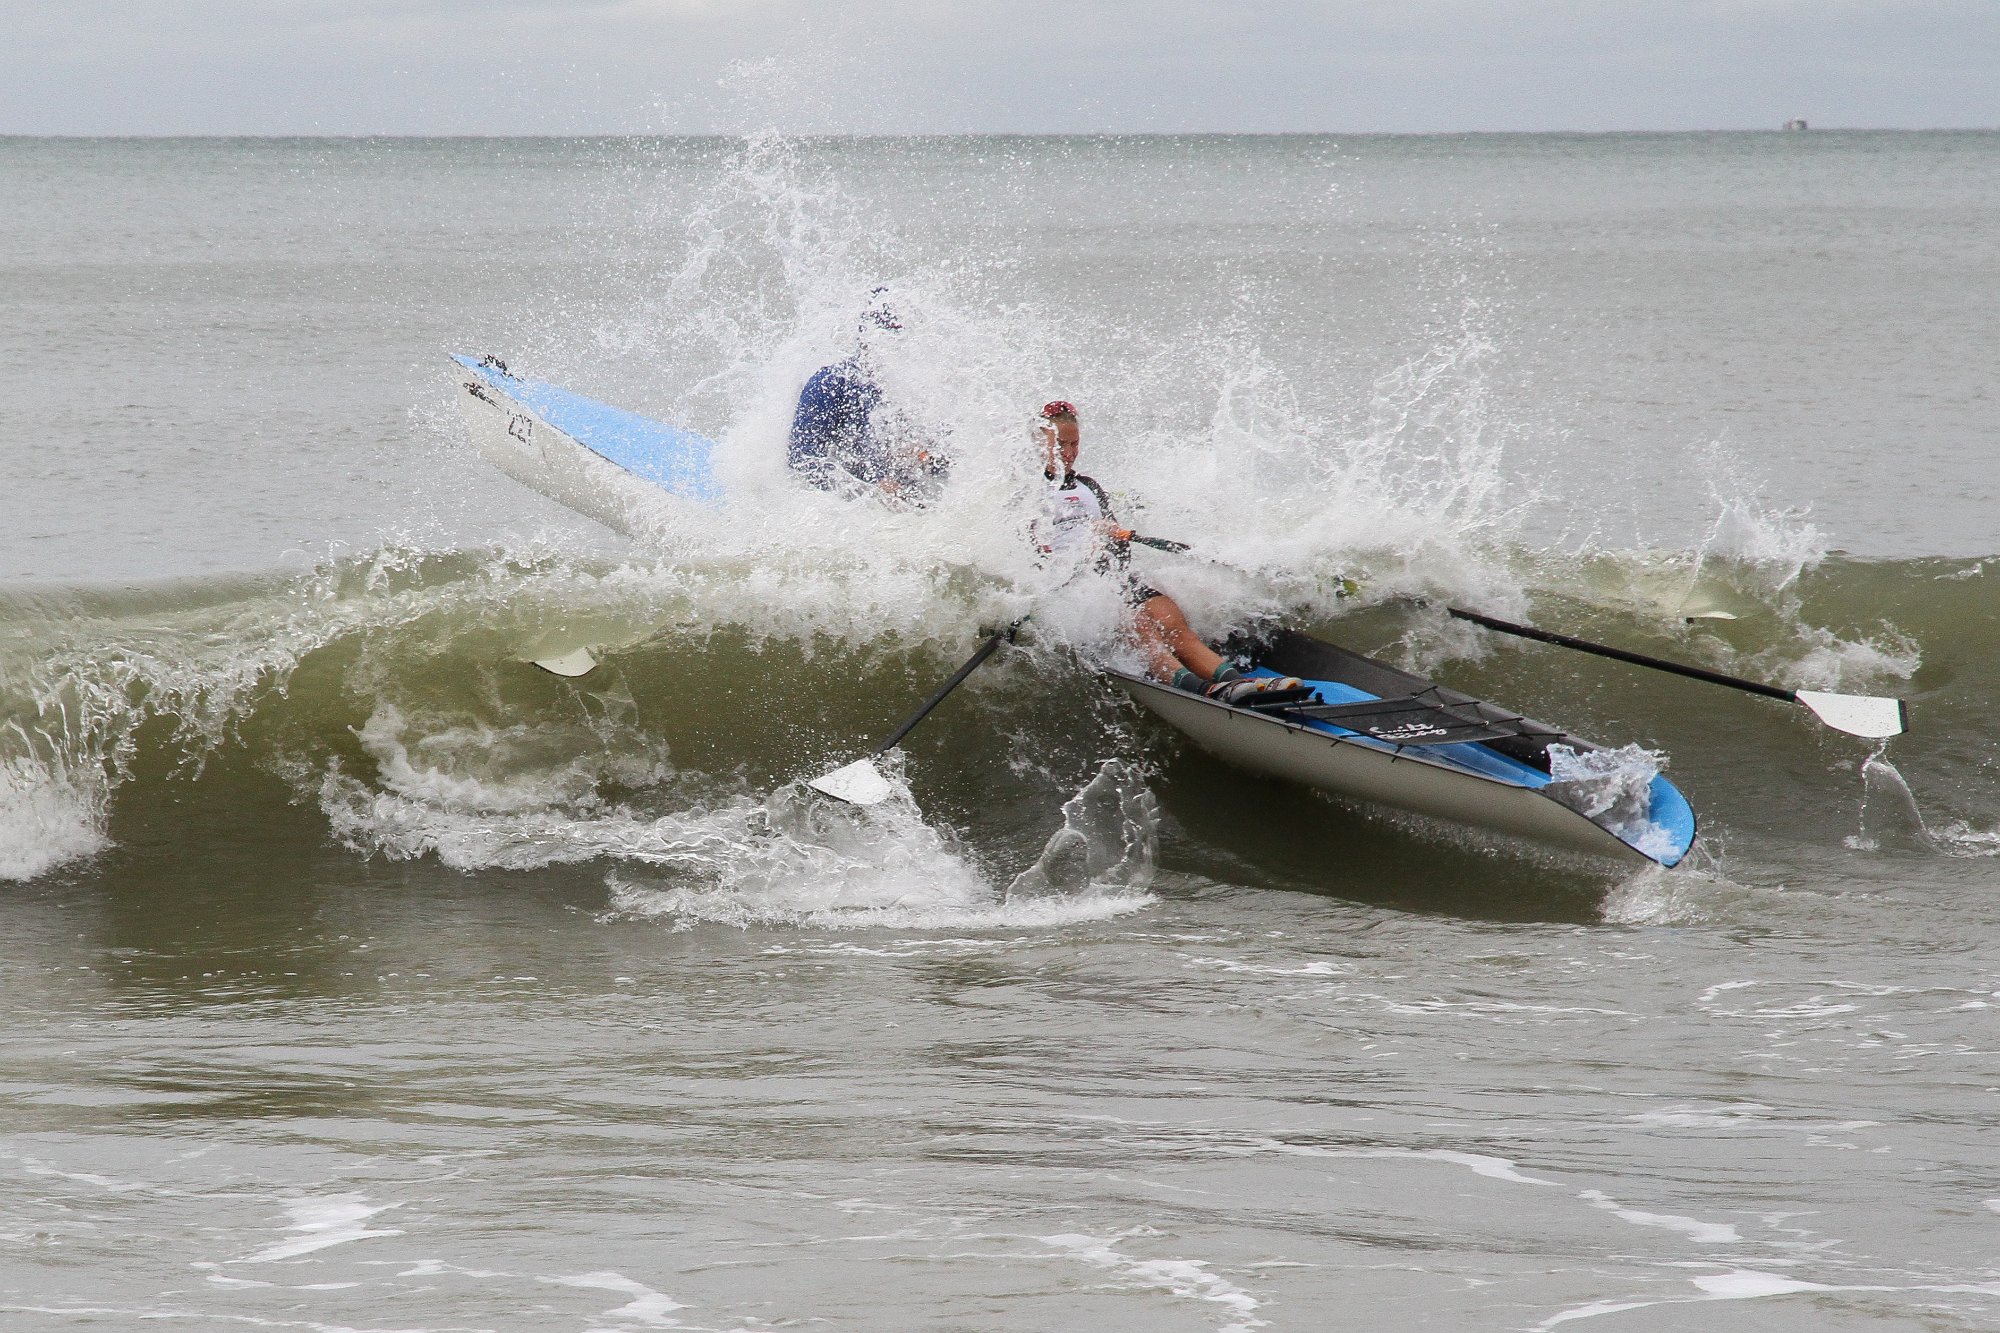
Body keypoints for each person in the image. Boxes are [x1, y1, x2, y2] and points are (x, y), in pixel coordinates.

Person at [1031, 400, 1299, 703]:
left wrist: (1115, 537)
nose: (1068, 452)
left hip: (1110, 579)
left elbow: (1121, 556)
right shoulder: (1030, 492)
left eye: (1074, 443)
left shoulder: (1089, 487)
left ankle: (1238, 683)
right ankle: (1202, 691)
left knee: (1169, 618)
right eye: (1061, 444)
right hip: (1074, 593)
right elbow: (1034, 558)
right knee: (1142, 626)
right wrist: (1084, 548)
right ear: (1041, 443)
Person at [788, 289, 949, 504]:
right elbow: (801, 460)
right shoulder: (831, 383)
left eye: (902, 341)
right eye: (890, 338)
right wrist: (874, 487)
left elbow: (943, 454)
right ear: (866, 340)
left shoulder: (914, 390)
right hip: (850, 505)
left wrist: (929, 458)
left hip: (906, 495)